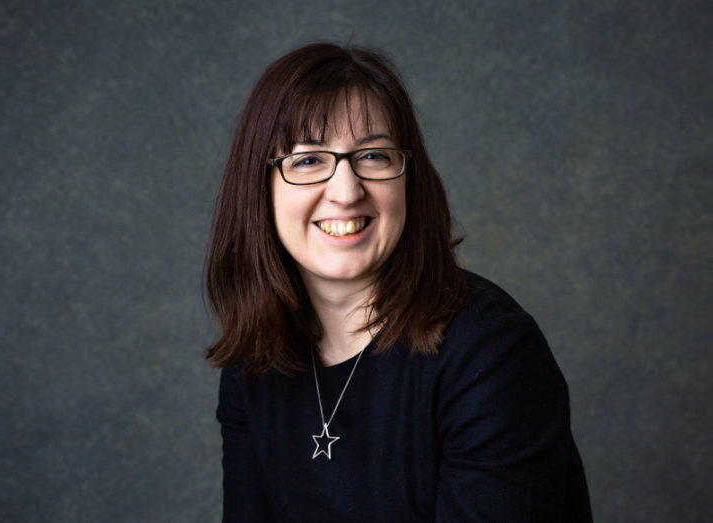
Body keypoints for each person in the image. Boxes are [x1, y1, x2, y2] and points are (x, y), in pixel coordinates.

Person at [205, 43, 592, 522]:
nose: (346, 191)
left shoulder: (491, 352)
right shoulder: (255, 357)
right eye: (307, 161)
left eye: (372, 155)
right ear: (258, 188)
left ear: (408, 180)